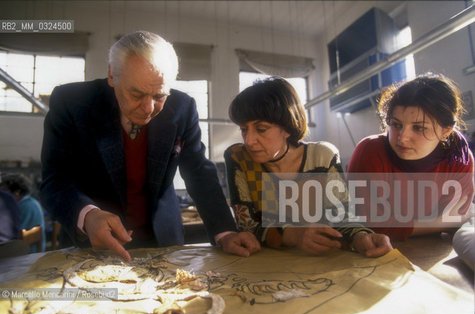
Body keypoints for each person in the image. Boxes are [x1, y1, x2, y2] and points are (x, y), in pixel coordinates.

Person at [40, 31, 260, 261]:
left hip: (162, 240)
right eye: (136, 94)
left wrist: (225, 231)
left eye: (159, 95)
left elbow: (199, 172)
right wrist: (88, 215)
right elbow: (55, 180)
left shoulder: (182, 108)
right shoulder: (72, 103)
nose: (148, 108)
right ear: (112, 75)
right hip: (92, 241)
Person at [224, 77, 392, 257]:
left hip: (324, 265)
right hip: (266, 268)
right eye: (243, 129)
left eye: (261, 129)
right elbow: (248, 227)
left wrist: (361, 237)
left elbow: (342, 216)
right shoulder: (238, 159)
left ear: (287, 128)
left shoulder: (322, 157)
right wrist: (295, 235)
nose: (248, 141)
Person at [347, 73, 474, 241]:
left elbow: (456, 217)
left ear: (446, 132)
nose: (402, 137)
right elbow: (369, 224)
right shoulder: (369, 151)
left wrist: (400, 225)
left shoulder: (459, 158)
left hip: (434, 254)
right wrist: (439, 223)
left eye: (419, 128)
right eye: (396, 125)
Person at [0, 173, 46, 252]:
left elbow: (14, 234)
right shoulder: (31, 202)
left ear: (17, 191)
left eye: (5, 191)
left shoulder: (25, 206)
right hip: (29, 247)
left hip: (28, 250)